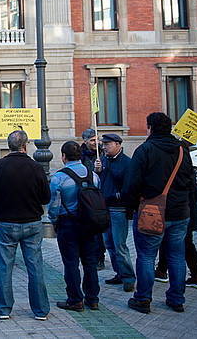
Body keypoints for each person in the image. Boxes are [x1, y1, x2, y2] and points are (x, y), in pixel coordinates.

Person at [122, 112, 193, 314]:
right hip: (179, 212)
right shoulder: (182, 150)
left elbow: (131, 183)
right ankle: (176, 299)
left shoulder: (145, 149)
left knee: (146, 256)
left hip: (151, 211)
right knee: (177, 256)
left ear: (150, 127)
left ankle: (143, 299)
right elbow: (189, 180)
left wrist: (132, 205)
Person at [0, 131, 50, 320]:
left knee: (5, 267)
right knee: (35, 266)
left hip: (6, 222)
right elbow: (46, 196)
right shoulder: (36, 167)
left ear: (9, 145)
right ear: (26, 145)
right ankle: (41, 310)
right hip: (32, 221)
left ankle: (3, 308)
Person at [49, 141, 101, 312]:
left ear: (63, 156)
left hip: (68, 224)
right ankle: (93, 299)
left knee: (71, 263)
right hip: (91, 223)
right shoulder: (93, 175)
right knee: (90, 262)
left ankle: (75, 299)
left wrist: (54, 221)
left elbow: (54, 206)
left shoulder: (59, 177)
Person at [95, 133, 135, 292]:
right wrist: (98, 171)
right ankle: (119, 273)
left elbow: (129, 185)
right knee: (109, 243)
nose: (104, 147)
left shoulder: (126, 162)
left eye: (108, 144)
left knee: (119, 245)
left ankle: (129, 277)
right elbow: (99, 181)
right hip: (104, 207)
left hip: (118, 208)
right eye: (103, 144)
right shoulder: (103, 160)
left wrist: (118, 196)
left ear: (118, 144)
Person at [155, 166, 197, 290]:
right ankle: (162, 270)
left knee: (183, 244)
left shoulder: (178, 169)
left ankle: (196, 277)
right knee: (180, 243)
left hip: (182, 212)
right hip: (186, 211)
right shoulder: (186, 168)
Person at [81, 128, 106, 270]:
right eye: (92, 140)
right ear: (85, 141)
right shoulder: (81, 154)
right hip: (87, 195)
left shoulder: (103, 152)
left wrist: (100, 168)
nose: (95, 142)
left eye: (97, 139)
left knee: (98, 229)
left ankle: (100, 257)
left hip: (100, 195)